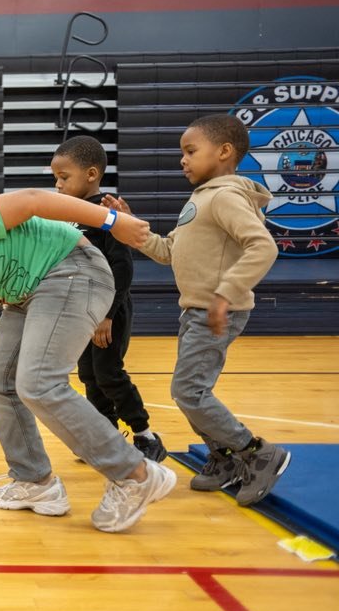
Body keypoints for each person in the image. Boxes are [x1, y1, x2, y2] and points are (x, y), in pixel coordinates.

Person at [0, 189, 177, 533]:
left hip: (73, 269)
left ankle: (135, 474)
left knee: (38, 382)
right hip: (30, 298)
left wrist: (113, 221)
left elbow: (34, 200)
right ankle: (35, 481)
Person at [104, 114, 290, 506]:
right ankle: (223, 457)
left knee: (188, 391)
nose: (183, 160)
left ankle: (256, 453)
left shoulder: (225, 197)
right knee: (189, 391)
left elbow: (263, 246)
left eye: (190, 151)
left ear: (224, 151)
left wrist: (226, 293)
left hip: (215, 310)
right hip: (195, 310)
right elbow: (168, 251)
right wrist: (131, 226)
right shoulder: (202, 198)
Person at [50, 136, 167, 462]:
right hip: (82, 312)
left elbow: (122, 267)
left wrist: (107, 315)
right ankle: (106, 437)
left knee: (109, 374)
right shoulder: (68, 215)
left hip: (108, 312)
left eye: (64, 177)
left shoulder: (105, 213)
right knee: (89, 375)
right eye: (56, 178)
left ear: (91, 174)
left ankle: (146, 436)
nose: (58, 185)